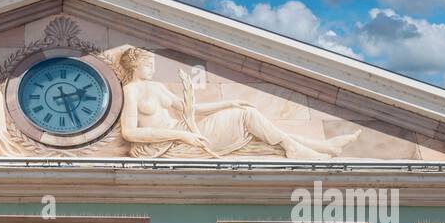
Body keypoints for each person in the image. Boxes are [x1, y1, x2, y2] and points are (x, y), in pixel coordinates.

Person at [116, 47, 359, 159]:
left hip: (185, 131)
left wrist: (229, 102)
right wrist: (181, 137)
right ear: (134, 66)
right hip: (170, 145)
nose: (153, 68)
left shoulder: (157, 87)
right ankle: (309, 148)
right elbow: (130, 132)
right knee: (246, 120)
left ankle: (324, 147)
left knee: (246, 117)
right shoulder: (131, 90)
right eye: (148, 64)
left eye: (153, 64)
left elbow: (193, 110)